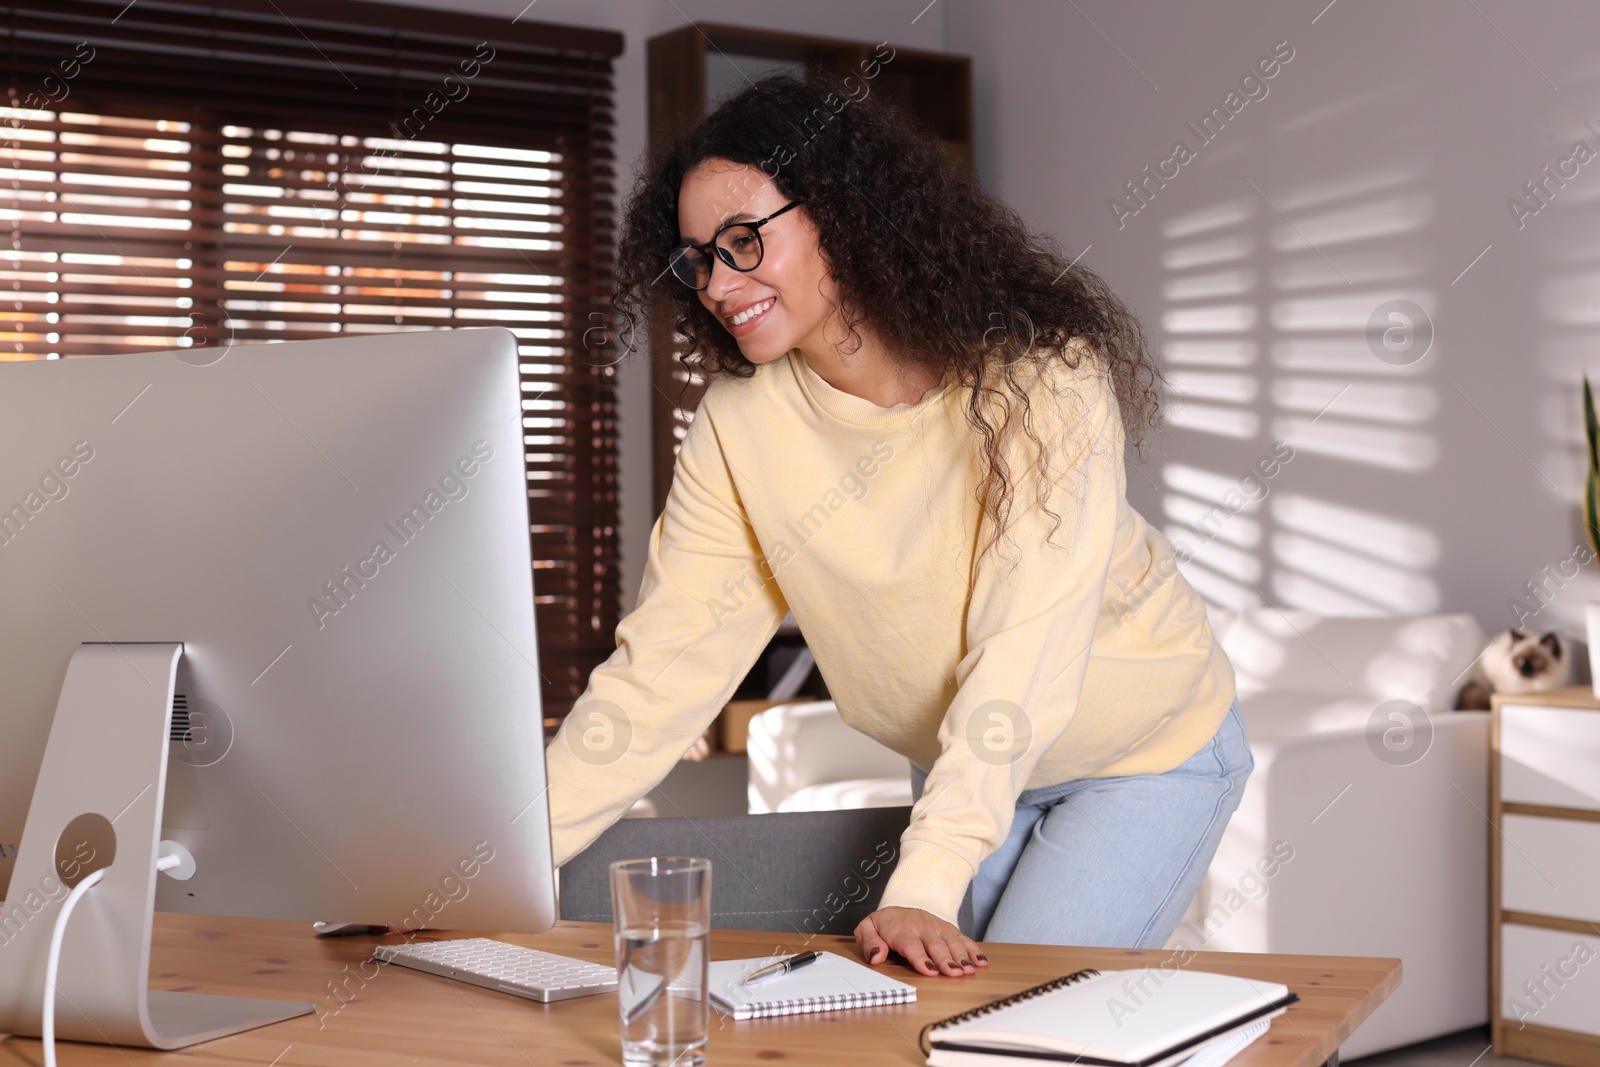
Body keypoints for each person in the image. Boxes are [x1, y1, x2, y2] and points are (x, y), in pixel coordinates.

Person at [545, 70, 1251, 980]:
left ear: (843, 210)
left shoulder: (1040, 379)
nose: (720, 281)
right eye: (699, 258)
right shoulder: (738, 423)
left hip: (1144, 755)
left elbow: (1024, 649)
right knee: (924, 1019)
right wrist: (492, 861)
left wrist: (925, 880)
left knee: (1012, 1027)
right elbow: (664, 669)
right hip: (970, 763)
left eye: (744, 240)